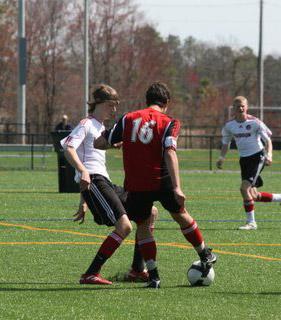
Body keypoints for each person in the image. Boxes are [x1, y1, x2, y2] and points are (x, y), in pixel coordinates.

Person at [95, 82, 217, 289]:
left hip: (136, 182)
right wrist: (177, 187)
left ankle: (154, 276)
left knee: (143, 225)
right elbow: (170, 151)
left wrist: (116, 141)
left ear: (146, 100)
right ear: (166, 102)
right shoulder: (170, 122)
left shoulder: (128, 118)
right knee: (180, 215)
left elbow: (99, 143)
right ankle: (205, 253)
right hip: (161, 178)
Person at [61, 84, 157, 285]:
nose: (114, 110)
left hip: (102, 182)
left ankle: (137, 270)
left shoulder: (102, 128)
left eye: (116, 106)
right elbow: (69, 148)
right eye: (110, 105)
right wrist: (83, 171)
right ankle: (90, 274)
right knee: (124, 226)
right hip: (95, 180)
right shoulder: (86, 123)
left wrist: (83, 200)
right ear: (98, 103)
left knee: (149, 212)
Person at [216, 96, 281, 230]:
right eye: (237, 106)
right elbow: (225, 142)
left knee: (244, 189)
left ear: (247, 107)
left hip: (258, 157)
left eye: (242, 106)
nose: (240, 108)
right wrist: (221, 157)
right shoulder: (230, 125)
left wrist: (269, 155)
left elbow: (268, 140)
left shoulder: (255, 122)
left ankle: (251, 222)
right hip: (244, 159)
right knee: (253, 195)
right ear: (233, 108)